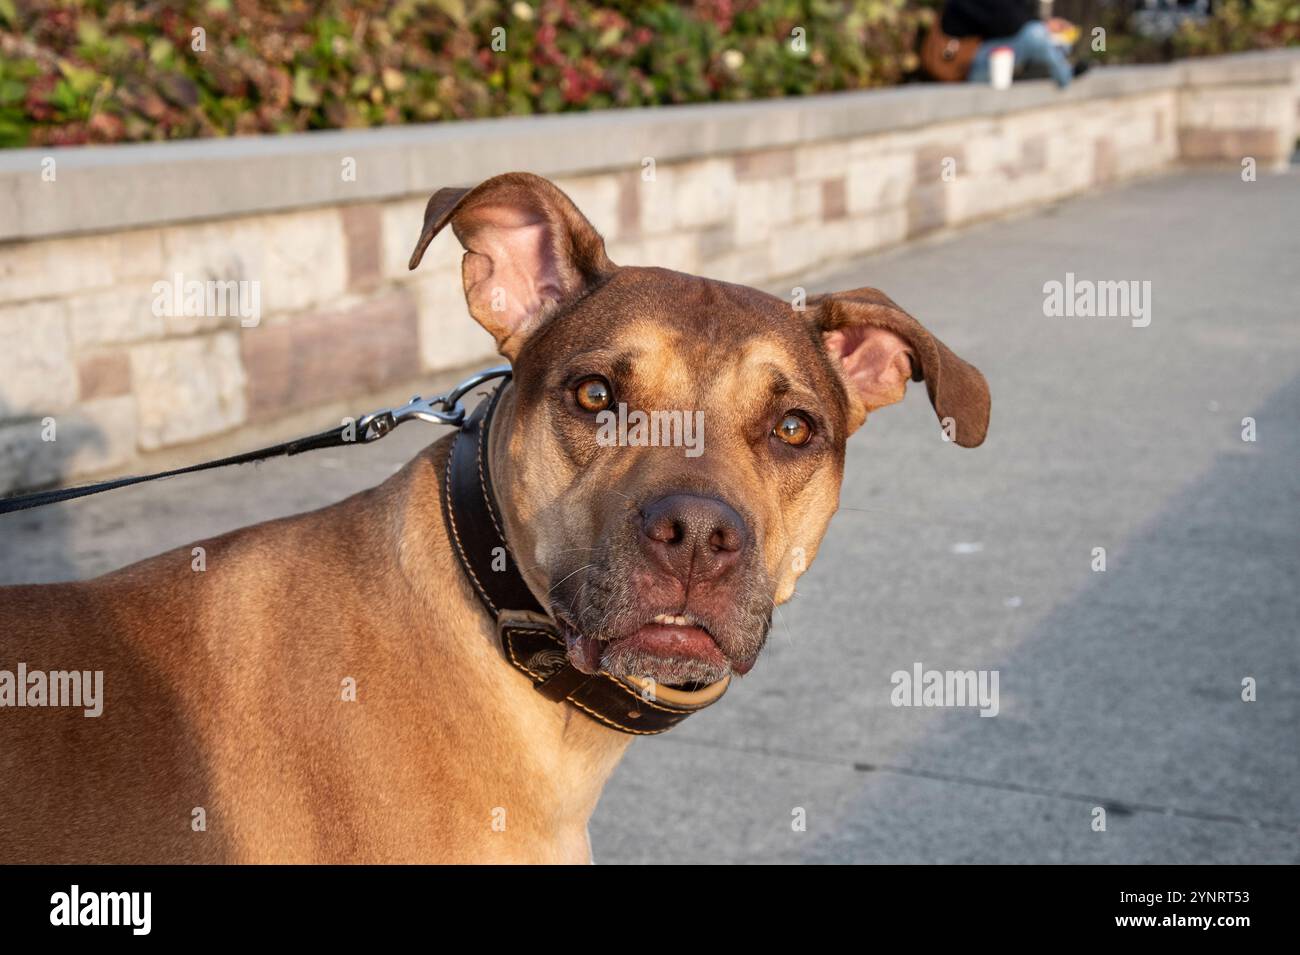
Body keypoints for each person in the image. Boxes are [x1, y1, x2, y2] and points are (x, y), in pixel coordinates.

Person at [941, 1, 1089, 88]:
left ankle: (1061, 67)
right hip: (965, 62)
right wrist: (1043, 27)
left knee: (1055, 40)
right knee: (1036, 36)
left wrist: (1046, 26)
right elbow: (1004, 23)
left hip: (987, 52)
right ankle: (1065, 76)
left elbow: (1014, 18)